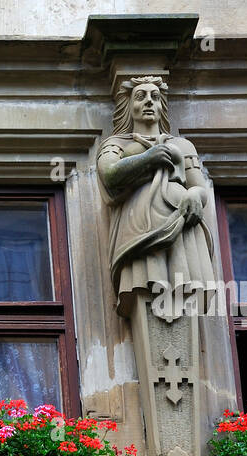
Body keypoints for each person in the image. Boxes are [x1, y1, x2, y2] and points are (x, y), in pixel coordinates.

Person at [97, 75, 216, 320]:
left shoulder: (183, 146)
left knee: (182, 288)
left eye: (155, 97)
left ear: (162, 106)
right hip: (140, 231)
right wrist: (150, 157)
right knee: (147, 288)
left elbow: (199, 187)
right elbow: (109, 174)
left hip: (180, 224)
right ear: (129, 106)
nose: (149, 102)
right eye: (141, 97)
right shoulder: (116, 144)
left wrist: (194, 194)